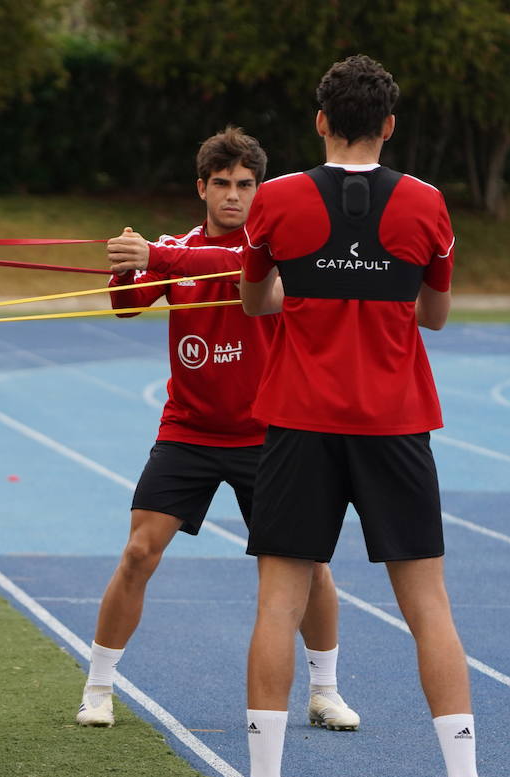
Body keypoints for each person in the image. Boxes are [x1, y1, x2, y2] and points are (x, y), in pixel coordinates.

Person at [223, 56, 510, 777]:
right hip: (394, 425)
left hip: (299, 424)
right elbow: (436, 316)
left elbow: (256, 302)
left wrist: (309, 285)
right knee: (429, 609)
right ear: (389, 124)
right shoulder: (426, 204)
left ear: (321, 121)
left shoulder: (276, 200)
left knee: (277, 606)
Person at [76, 126, 360, 735]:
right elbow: (126, 307)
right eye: (224, 184)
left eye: (247, 185)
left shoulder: (273, 250)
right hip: (190, 429)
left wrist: (155, 254)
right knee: (137, 552)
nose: (235, 196)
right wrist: (126, 266)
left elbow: (230, 263)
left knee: (310, 567)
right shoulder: (173, 249)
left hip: (269, 434)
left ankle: (325, 690)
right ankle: (98, 687)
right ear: (202, 187)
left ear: (260, 190)